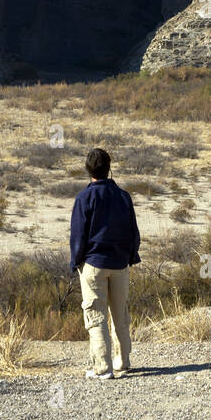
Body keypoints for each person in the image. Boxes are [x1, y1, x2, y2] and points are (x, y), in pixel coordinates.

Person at [69, 147, 141, 380]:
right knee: (120, 314)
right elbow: (133, 232)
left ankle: (103, 367)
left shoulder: (84, 197)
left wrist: (76, 261)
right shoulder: (123, 196)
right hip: (120, 263)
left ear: (88, 169)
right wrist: (131, 256)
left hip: (94, 263)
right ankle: (123, 362)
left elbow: (78, 235)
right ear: (109, 168)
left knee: (96, 315)